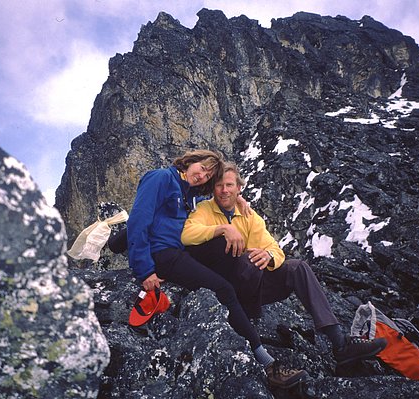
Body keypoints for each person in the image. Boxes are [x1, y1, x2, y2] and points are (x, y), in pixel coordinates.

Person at [122, 150, 309, 389]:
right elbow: (139, 219)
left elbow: (199, 205)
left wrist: (238, 200)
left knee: (220, 268)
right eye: (201, 168)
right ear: (190, 162)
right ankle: (267, 363)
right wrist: (144, 270)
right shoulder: (160, 178)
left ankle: (115, 242)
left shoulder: (186, 191)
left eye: (209, 175)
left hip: (174, 251)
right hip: (164, 255)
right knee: (224, 289)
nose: (202, 176)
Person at [180, 163, 387, 367]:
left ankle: (340, 344)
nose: (224, 190)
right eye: (219, 186)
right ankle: (245, 317)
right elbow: (187, 235)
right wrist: (222, 229)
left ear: (239, 188)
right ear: (213, 189)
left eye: (229, 185)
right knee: (247, 259)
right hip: (224, 284)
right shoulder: (205, 209)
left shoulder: (249, 217)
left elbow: (275, 248)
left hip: (252, 283)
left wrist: (268, 256)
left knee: (297, 267)